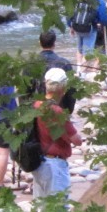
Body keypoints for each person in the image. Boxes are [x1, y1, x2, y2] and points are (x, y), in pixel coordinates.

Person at [33, 67, 82, 198]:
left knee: (41, 206)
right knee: (59, 208)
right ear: (63, 88)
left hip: (40, 162)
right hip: (55, 165)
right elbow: (77, 141)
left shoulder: (36, 105)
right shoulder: (57, 111)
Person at [35, 30, 78, 111]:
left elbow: (25, 92)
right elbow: (71, 91)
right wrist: (68, 111)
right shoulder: (64, 63)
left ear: (40, 43)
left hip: (36, 110)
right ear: (54, 43)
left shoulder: (31, 64)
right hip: (59, 109)